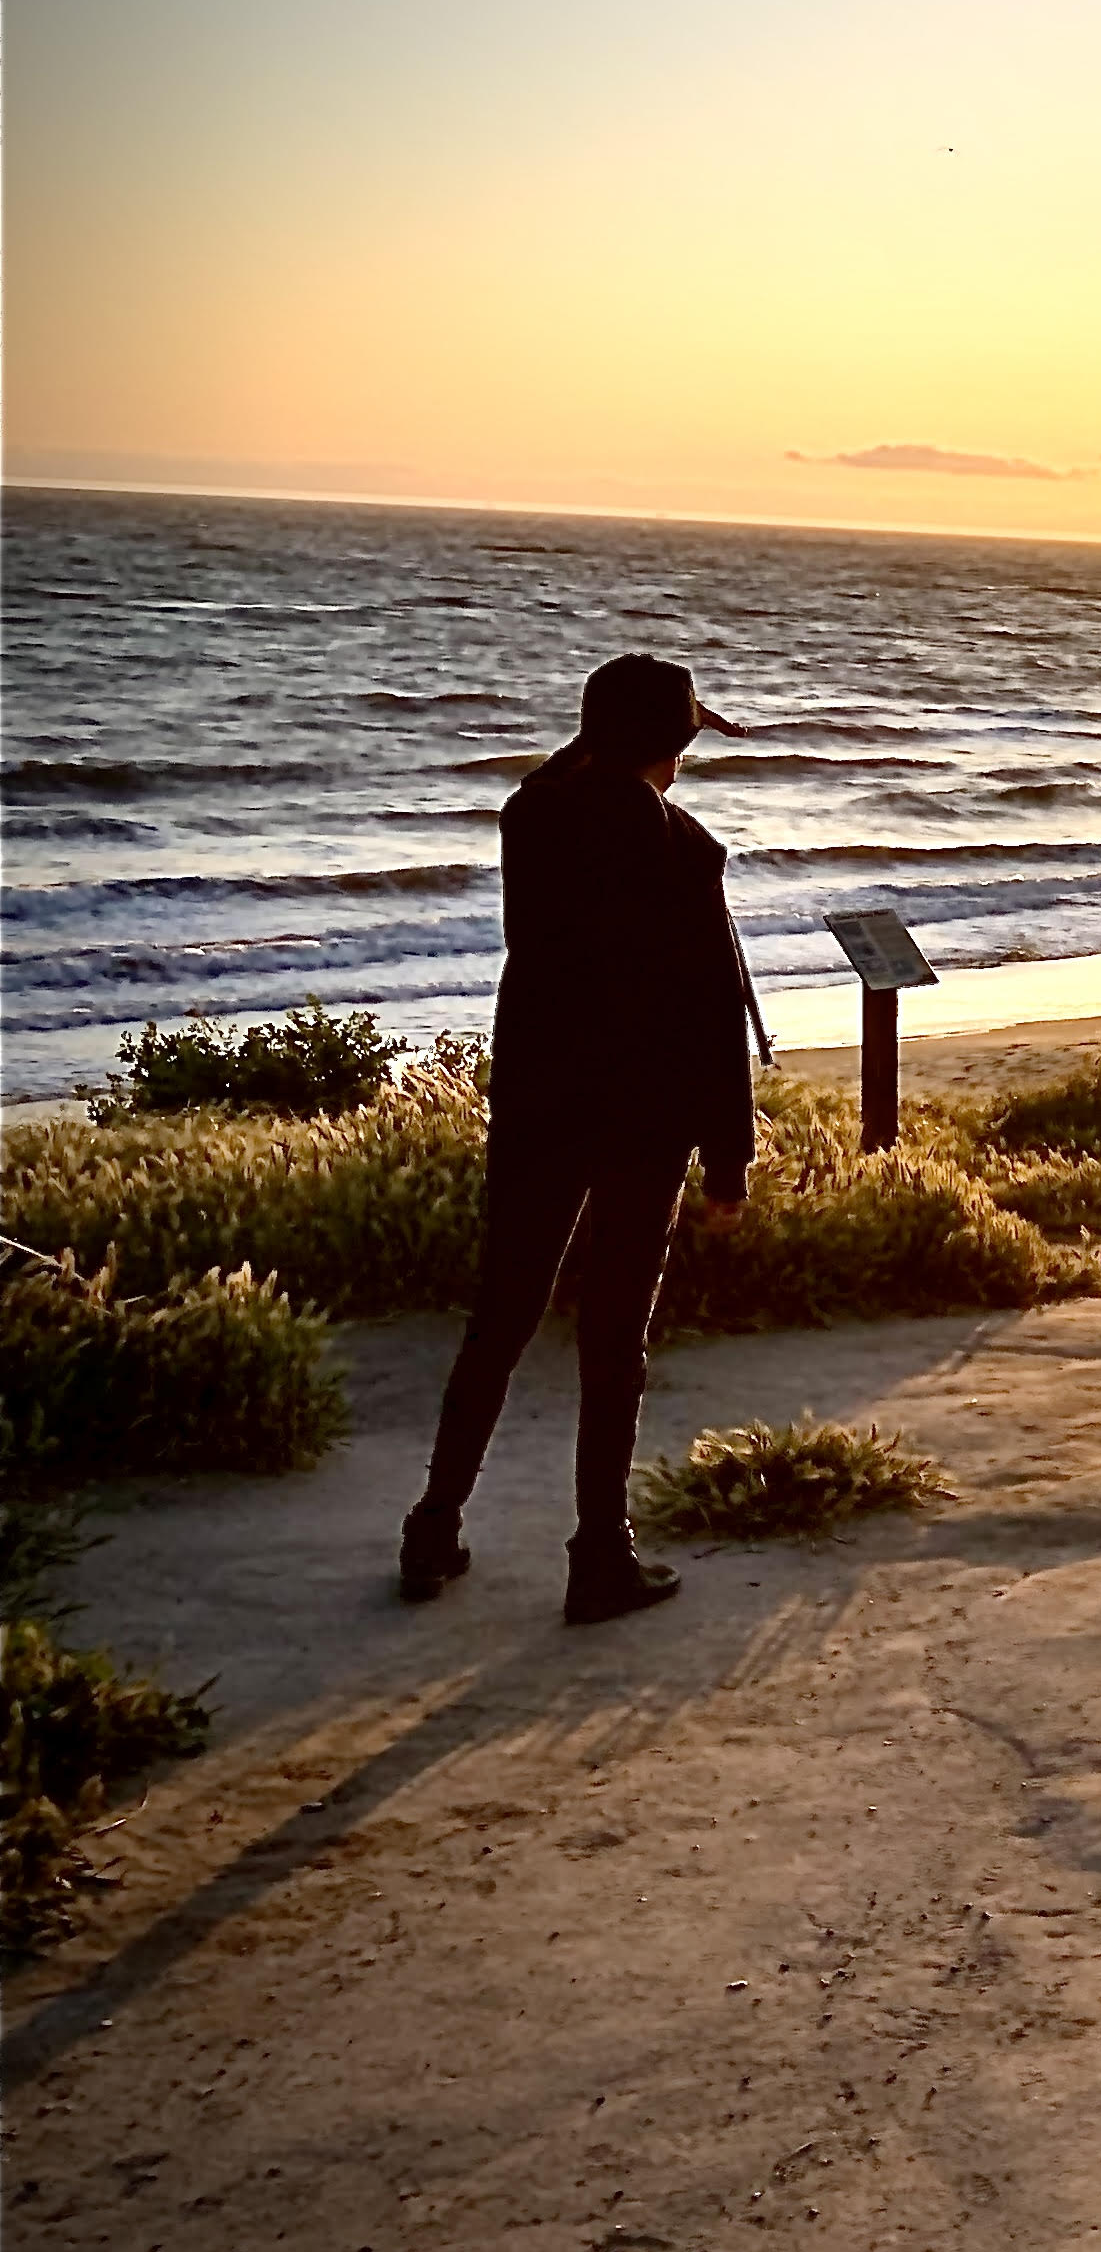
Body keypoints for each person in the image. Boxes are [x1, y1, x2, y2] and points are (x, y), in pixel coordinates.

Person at [400, 654, 757, 1624]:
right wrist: (731, 1159)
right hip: (643, 1122)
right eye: (684, 745)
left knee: (500, 1318)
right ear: (673, 748)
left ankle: (434, 1523)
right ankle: (600, 1554)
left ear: (590, 739)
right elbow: (714, 1015)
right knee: (614, 1338)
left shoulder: (533, 822)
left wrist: (600, 744)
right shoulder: (684, 852)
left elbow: (555, 778)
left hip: (537, 1105)